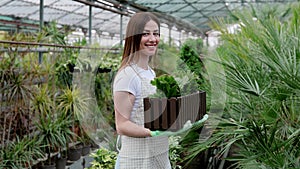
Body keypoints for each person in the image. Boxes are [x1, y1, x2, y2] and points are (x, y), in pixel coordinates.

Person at [113, 12, 171, 169]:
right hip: (137, 160)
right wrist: (151, 132)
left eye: (156, 33)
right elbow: (122, 125)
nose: (153, 39)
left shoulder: (150, 72)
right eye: (146, 34)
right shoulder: (127, 76)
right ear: (134, 36)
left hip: (157, 156)